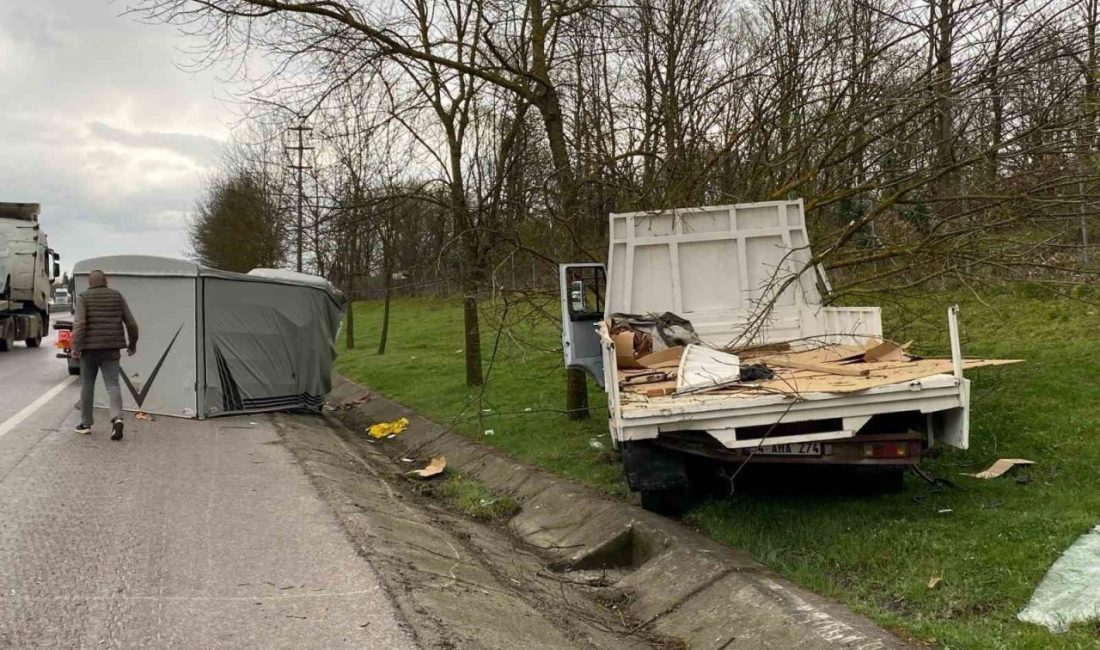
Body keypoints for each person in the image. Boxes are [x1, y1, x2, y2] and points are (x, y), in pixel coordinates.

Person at [72, 270, 139, 440]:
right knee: (113, 385)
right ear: (106, 281)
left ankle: (85, 424)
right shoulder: (117, 296)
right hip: (111, 348)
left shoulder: (83, 297)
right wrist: (132, 343)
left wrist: (76, 347)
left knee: (87, 384)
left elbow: (80, 324)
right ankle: (117, 419)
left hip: (89, 350)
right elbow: (131, 323)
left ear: (89, 282)